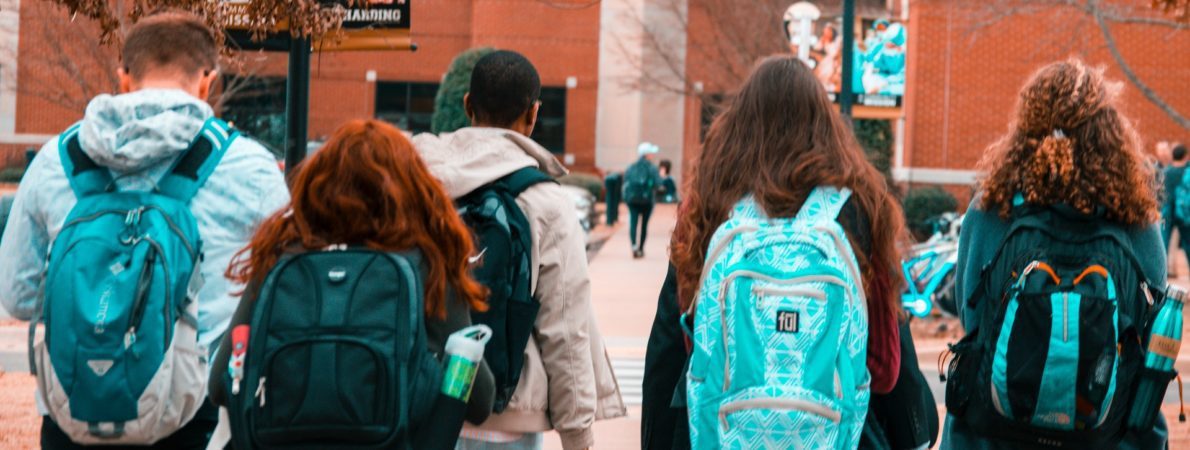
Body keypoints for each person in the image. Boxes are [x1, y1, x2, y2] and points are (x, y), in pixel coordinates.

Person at [0, 11, 288, 449]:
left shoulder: (56, 161)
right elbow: (281, 293)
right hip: (195, 419)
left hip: (73, 415)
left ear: (124, 78)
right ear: (208, 81)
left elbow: (17, 296)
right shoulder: (249, 167)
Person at [669, 56, 910, 449]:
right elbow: (884, 369)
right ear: (827, 126)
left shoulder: (708, 205)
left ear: (738, 124)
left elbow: (684, 342)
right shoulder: (861, 209)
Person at [208, 119, 496, 446]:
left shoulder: (282, 258)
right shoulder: (426, 264)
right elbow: (480, 402)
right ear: (411, 189)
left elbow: (221, 385)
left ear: (317, 186)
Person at [942, 59, 1167, 449]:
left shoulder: (991, 208)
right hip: (1105, 432)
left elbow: (972, 314)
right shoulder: (1136, 217)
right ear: (1110, 132)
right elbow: (1150, 327)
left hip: (993, 432)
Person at [412, 50, 624, 450]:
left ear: (467, 105)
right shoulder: (545, 201)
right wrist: (578, 436)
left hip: (424, 406)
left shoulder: (419, 184)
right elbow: (565, 327)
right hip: (508, 418)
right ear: (533, 114)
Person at [624, 142, 662, 258]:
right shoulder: (652, 168)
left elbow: (625, 181)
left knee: (633, 223)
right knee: (644, 225)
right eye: (651, 153)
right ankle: (641, 248)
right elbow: (658, 183)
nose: (653, 155)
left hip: (632, 200)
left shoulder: (631, 167)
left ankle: (634, 246)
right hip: (647, 201)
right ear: (647, 154)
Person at [1162, 144, 1188, 269]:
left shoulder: (1166, 172)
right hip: (1184, 212)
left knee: (1163, 243)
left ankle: (1162, 273)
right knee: (1188, 244)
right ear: (1185, 156)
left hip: (1167, 211)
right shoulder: (1187, 171)